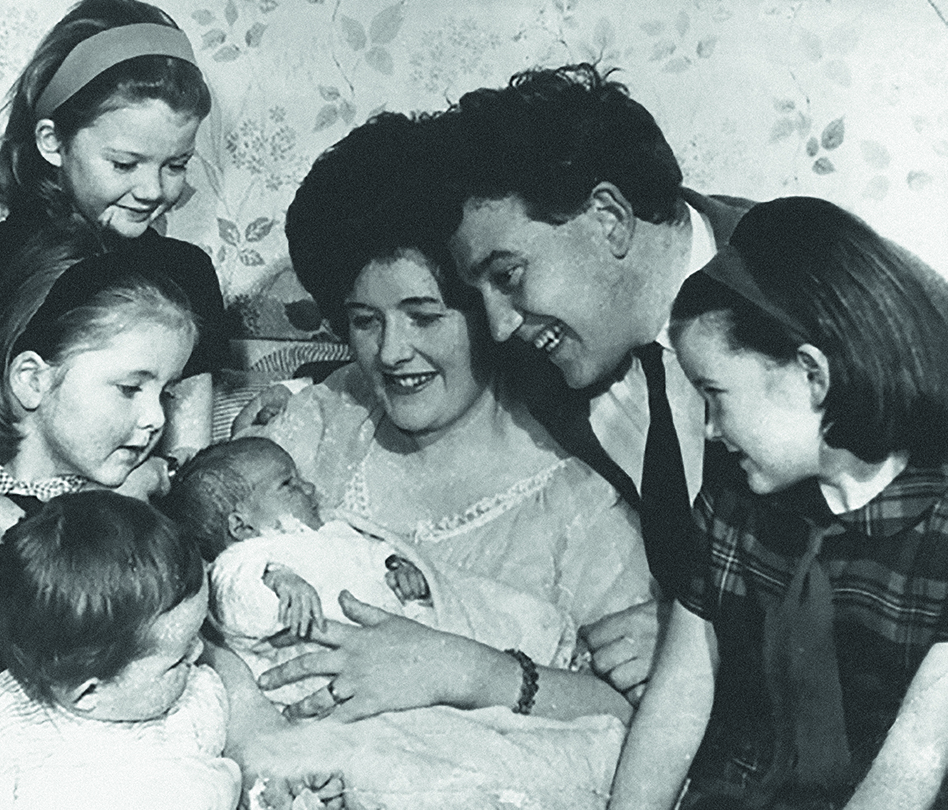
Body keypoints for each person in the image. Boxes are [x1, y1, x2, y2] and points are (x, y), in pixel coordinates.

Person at [234, 111, 653, 724]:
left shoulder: (576, 500)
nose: (392, 352)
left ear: (487, 314)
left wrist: (466, 671)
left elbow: (635, 711)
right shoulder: (316, 425)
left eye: (424, 316)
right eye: (365, 320)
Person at [609, 197, 948, 810]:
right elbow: (679, 696)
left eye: (715, 395)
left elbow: (908, 774)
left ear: (812, 377)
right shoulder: (735, 500)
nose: (708, 430)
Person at [436, 63, 758, 688]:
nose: (500, 327)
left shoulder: (815, 289)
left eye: (508, 276)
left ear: (609, 218)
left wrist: (710, 635)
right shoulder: (545, 358)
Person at [0, 0, 226, 590]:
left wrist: (154, 480)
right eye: (125, 163)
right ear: (52, 143)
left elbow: (190, 453)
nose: (153, 190)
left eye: (176, 164)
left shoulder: (185, 273)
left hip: (113, 541)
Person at [0, 221, 201, 724]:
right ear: (33, 380)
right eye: (130, 388)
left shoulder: (136, 526)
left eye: (167, 392)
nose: (157, 419)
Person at [164, 436, 577, 707]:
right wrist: (279, 579)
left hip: (411, 640)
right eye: (288, 484)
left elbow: (369, 552)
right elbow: (238, 608)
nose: (309, 488)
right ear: (240, 526)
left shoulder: (331, 531)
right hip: (340, 680)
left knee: (487, 625)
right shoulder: (246, 559)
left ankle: (548, 653)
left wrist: (398, 567)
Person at [0, 491, 243, 810]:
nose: (200, 652)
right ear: (89, 692)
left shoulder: (192, 702)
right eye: (179, 658)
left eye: (195, 634)